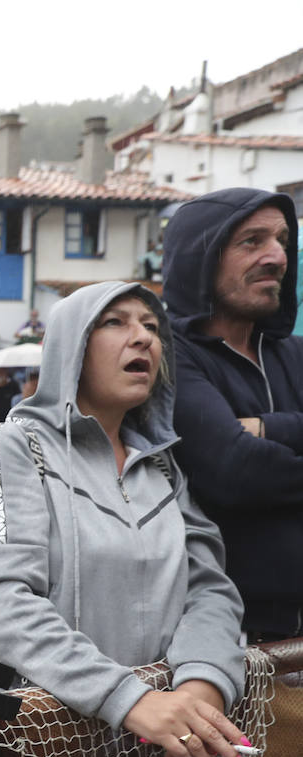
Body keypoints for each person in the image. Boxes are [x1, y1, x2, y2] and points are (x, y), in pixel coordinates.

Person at [0, 281, 248, 757]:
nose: (143, 339)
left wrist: (200, 690)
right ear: (71, 345)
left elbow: (211, 589)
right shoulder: (5, 450)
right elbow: (3, 604)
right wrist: (131, 700)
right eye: (116, 322)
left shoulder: (164, 470)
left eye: (152, 327)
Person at [161, 188, 303, 643]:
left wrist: (271, 427)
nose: (277, 256)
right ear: (200, 256)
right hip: (233, 641)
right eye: (252, 241)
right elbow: (236, 470)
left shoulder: (294, 353)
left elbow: (254, 457)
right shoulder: (170, 357)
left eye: (282, 239)